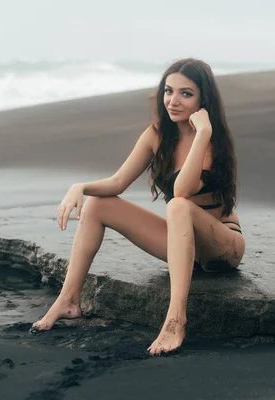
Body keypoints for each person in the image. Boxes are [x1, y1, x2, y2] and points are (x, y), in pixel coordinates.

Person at [32, 58, 246, 355]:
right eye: (168, 91)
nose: (173, 100)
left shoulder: (211, 139)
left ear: (203, 99)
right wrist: (79, 187)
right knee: (96, 204)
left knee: (178, 206)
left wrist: (203, 134)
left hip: (222, 245)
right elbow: (118, 182)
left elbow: (181, 192)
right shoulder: (158, 134)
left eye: (186, 93)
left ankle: (175, 320)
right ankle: (68, 300)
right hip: (183, 245)